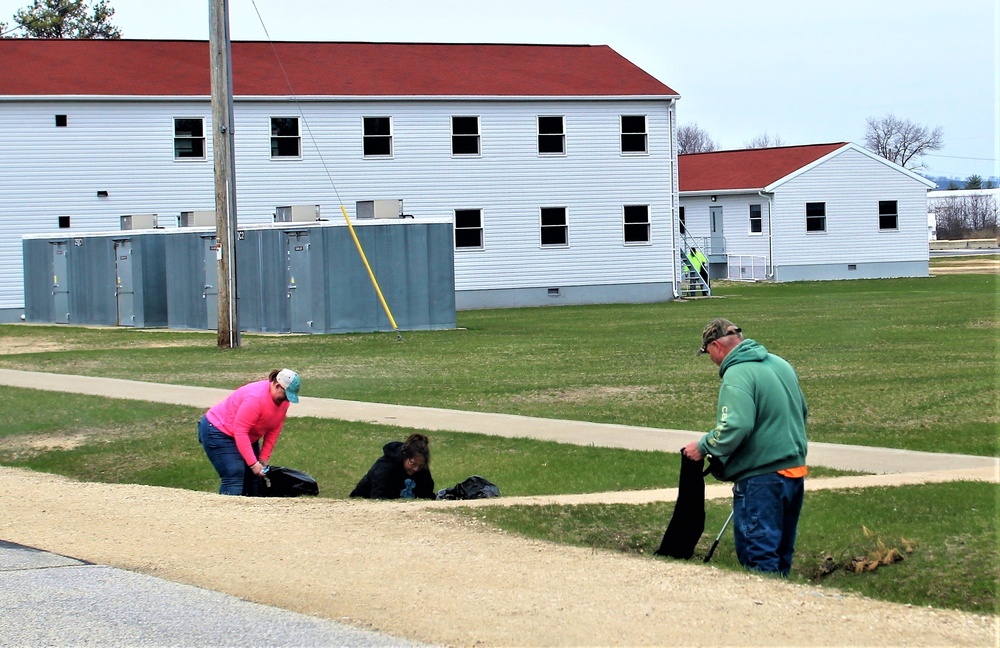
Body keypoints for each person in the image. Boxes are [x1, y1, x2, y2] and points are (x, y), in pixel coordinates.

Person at [682, 319, 808, 576]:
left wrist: (703, 446)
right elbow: (802, 411)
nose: (711, 360)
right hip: (793, 474)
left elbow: (735, 425)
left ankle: (764, 612)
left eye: (708, 354)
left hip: (762, 481)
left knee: (758, 556)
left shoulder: (736, 373)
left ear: (716, 346)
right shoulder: (780, 364)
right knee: (781, 554)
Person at [198, 368, 301, 496]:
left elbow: (275, 426)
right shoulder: (255, 398)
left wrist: (264, 457)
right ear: (277, 385)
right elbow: (240, 431)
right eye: (286, 395)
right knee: (234, 473)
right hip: (217, 430)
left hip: (245, 434)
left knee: (253, 479)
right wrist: (253, 464)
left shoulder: (283, 401)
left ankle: (251, 514)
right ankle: (228, 512)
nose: (287, 399)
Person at [350, 433, 435, 499]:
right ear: (404, 455)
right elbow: (378, 498)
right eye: (412, 463)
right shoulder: (384, 469)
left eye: (420, 465)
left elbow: (427, 496)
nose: (416, 469)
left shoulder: (422, 471)